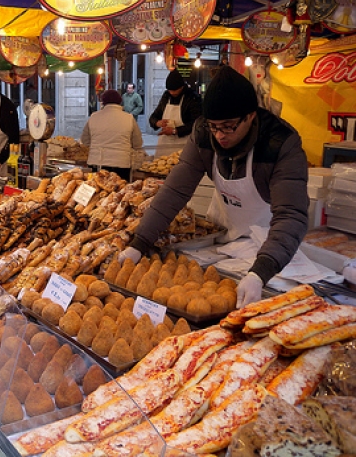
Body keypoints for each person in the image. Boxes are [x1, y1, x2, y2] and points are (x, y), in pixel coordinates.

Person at [121, 66, 309, 308]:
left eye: (228, 126)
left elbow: (291, 213)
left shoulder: (281, 144)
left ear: (250, 116)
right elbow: (175, 190)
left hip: (270, 245)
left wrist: (260, 272)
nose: (220, 135)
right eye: (214, 126)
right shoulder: (202, 134)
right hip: (223, 239)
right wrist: (140, 242)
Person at [80, 89, 144, 181]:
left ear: (103, 102)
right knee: (120, 192)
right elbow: (137, 143)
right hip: (122, 164)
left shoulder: (94, 117)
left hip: (98, 163)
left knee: (98, 191)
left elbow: (85, 140)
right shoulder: (129, 118)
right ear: (120, 102)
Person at [149, 68, 202, 156]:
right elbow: (153, 116)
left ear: (181, 87)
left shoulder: (192, 97)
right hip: (165, 144)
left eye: (174, 90)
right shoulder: (166, 96)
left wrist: (175, 131)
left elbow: (196, 123)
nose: (172, 93)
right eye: (170, 90)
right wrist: (157, 123)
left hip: (183, 143)